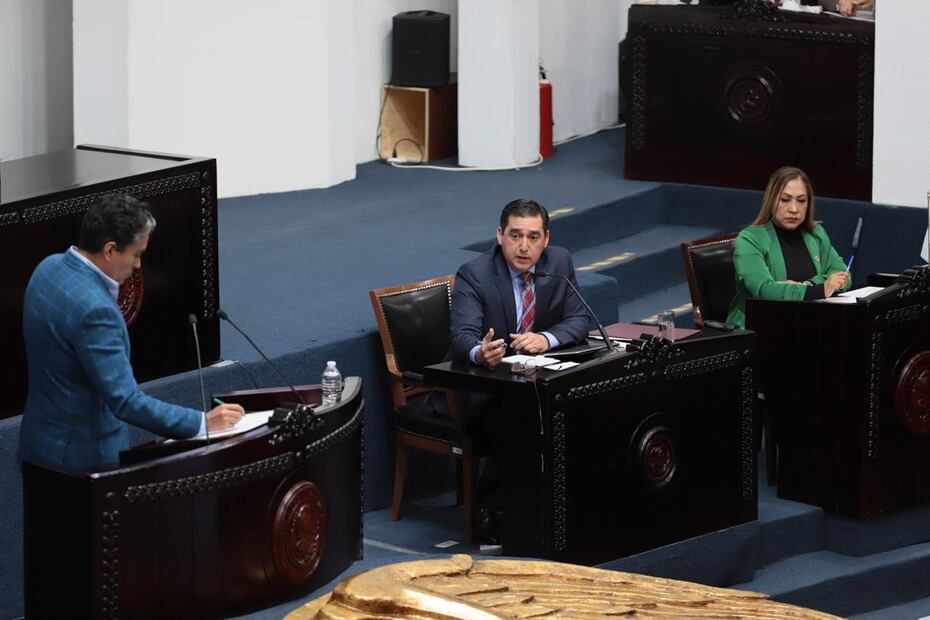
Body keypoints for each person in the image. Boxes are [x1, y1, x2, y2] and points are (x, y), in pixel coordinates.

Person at [18, 192, 244, 472]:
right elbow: (125, 401)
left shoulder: (47, 268)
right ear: (111, 250)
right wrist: (201, 423)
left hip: (38, 443)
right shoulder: (96, 311)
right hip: (83, 461)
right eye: (136, 254)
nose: (138, 265)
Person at [449, 198, 590, 369]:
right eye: (515, 236)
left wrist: (545, 339)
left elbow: (579, 318)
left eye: (533, 237)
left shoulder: (558, 262)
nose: (524, 247)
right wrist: (480, 352)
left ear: (545, 239)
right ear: (500, 236)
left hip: (540, 374)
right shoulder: (475, 274)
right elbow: (462, 335)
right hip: (490, 380)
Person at [726, 166, 850, 329]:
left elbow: (843, 275)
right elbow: (765, 291)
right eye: (785, 199)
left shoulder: (815, 233)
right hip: (758, 329)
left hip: (805, 324)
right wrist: (821, 289)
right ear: (771, 200)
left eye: (801, 200)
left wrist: (807, 285)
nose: (793, 209)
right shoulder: (750, 239)